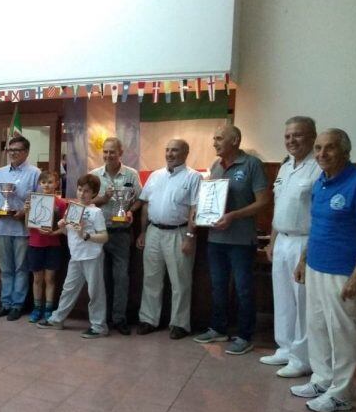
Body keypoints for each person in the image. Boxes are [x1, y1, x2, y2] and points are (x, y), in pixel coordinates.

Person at [291, 129, 356, 412]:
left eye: (329, 148)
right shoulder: (321, 183)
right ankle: (322, 378)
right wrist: (304, 260)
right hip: (317, 265)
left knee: (341, 332)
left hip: (343, 272)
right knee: (316, 326)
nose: (321, 154)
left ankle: (340, 394)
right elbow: (317, 226)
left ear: (345, 151)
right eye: (317, 148)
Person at [193, 125, 270, 354]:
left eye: (219, 138)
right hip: (216, 238)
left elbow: (263, 201)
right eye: (214, 138)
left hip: (241, 240)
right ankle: (218, 328)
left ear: (235, 140)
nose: (214, 143)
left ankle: (245, 335)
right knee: (217, 286)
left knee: (243, 288)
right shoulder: (215, 166)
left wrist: (234, 215)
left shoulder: (251, 164)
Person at [262, 117, 320, 377]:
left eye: (297, 135)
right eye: (287, 136)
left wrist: (306, 256)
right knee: (283, 297)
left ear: (312, 137)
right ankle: (284, 348)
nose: (291, 141)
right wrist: (272, 241)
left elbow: (319, 215)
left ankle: (302, 358)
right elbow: (279, 207)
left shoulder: (318, 169)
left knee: (302, 300)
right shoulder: (285, 167)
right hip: (282, 240)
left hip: (304, 241)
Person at [135, 139, 200, 339]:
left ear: (186, 153)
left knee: (180, 281)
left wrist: (190, 236)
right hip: (154, 232)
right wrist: (143, 231)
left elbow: (194, 209)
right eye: (168, 150)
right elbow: (145, 205)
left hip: (179, 233)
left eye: (175, 150)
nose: (170, 154)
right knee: (151, 279)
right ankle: (148, 319)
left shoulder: (193, 177)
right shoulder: (155, 175)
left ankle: (179, 324)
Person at [38, 174, 108, 338]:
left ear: (94, 194)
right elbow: (67, 231)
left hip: (92, 256)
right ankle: (57, 319)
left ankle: (99, 326)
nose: (82, 194)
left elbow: (104, 237)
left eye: (87, 191)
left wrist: (86, 235)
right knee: (68, 289)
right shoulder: (72, 208)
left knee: (95, 292)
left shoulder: (96, 212)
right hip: (76, 256)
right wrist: (56, 229)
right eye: (80, 189)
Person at [90, 136, 142, 335]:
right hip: (99, 233)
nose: (108, 155)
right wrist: (103, 198)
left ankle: (119, 318)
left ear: (120, 153)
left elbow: (140, 199)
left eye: (112, 152)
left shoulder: (131, 174)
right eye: (105, 151)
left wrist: (131, 211)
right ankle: (100, 318)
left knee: (121, 277)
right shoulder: (94, 175)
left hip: (121, 234)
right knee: (100, 278)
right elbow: (86, 200)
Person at [0, 135, 41, 321]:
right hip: (2, 227)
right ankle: (5, 303)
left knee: (21, 268)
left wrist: (24, 213)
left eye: (16, 150)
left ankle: (17, 305)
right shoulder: (0, 172)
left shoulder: (35, 173)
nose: (12, 153)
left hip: (22, 230)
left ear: (26, 152)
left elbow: (38, 200)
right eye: (10, 150)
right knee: (5, 269)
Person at [24, 170, 67, 324]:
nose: (47, 185)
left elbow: (64, 227)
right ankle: (37, 308)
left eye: (50, 182)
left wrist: (53, 232)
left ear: (56, 184)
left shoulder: (61, 203)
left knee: (50, 278)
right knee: (37, 279)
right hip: (35, 244)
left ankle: (49, 309)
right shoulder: (33, 200)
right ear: (39, 184)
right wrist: (28, 211)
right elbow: (27, 226)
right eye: (43, 182)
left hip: (53, 245)